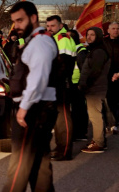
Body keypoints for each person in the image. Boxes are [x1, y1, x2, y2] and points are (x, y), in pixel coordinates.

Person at [3, 1, 58, 192]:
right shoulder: (37, 41)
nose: (16, 26)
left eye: (20, 20)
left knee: (19, 165)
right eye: (14, 21)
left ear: (33, 18)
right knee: (40, 163)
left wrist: (23, 110)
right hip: (39, 108)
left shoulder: (40, 42)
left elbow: (37, 79)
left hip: (33, 110)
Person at [46, 15, 76, 161]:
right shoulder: (55, 38)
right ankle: (60, 147)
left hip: (61, 83)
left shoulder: (62, 38)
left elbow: (63, 63)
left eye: (52, 25)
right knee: (58, 118)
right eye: (48, 26)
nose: (49, 28)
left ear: (60, 25)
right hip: (57, 82)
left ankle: (64, 151)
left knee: (63, 117)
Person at [78, 27, 110, 153]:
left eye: (92, 35)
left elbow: (95, 71)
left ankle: (99, 143)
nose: (89, 37)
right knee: (96, 114)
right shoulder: (94, 50)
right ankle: (99, 140)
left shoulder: (98, 51)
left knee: (95, 115)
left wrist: (85, 84)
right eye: (88, 34)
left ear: (98, 36)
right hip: (95, 87)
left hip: (95, 88)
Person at [68, 29, 89, 141]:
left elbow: (84, 69)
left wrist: (82, 83)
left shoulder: (80, 50)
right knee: (74, 110)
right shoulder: (73, 48)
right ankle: (76, 132)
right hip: (70, 83)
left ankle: (80, 133)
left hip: (77, 84)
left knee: (79, 109)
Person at [103, 22, 119, 134]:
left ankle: (116, 123)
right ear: (108, 30)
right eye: (113, 28)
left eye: (118, 28)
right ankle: (108, 124)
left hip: (118, 75)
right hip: (106, 76)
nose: (116, 30)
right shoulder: (103, 42)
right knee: (108, 101)